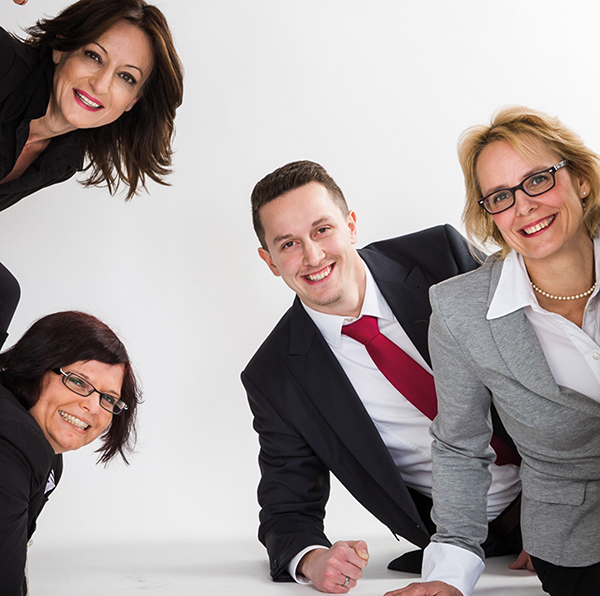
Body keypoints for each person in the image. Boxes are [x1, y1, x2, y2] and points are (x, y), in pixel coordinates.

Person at [242, 160, 524, 594]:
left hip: (571, 489)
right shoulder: (276, 375)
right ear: (270, 261)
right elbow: (287, 508)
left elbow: (540, 342)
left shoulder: (439, 257)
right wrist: (313, 560)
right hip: (468, 542)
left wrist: (555, 518)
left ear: (351, 225)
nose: (313, 256)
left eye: (322, 230)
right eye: (289, 244)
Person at [389, 107, 600, 596]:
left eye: (538, 180)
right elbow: (460, 448)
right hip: (577, 544)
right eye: (501, 196)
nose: (524, 206)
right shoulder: (460, 311)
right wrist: (449, 574)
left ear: (581, 180)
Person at [0, 310, 141, 595]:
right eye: (78, 381)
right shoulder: (12, 443)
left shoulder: (50, 458)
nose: (93, 406)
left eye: (108, 398)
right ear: (37, 366)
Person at [1, 0, 183, 209]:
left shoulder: (63, 161)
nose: (100, 85)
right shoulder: (6, 64)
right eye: (94, 56)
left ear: (133, 100)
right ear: (61, 47)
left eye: (126, 77)